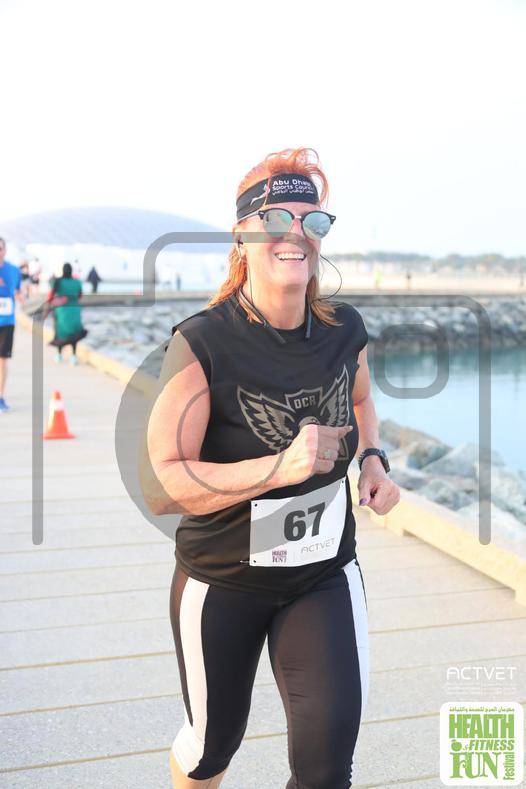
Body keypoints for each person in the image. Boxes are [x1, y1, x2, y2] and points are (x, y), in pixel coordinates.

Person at [140, 147, 400, 789]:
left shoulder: (345, 330)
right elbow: (161, 482)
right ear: (243, 234)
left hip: (323, 573)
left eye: (313, 221)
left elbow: (361, 401)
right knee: (210, 751)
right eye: (277, 217)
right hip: (223, 580)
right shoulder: (203, 342)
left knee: (326, 767)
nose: (297, 234)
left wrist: (371, 457)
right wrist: (278, 468)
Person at [43, 262, 88, 365]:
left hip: (62, 310)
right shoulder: (77, 282)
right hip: (74, 309)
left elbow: (51, 294)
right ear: (71, 271)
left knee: (61, 332)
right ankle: (73, 356)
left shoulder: (58, 281)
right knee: (74, 333)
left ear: (62, 271)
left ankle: (59, 355)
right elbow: (80, 295)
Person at [0, 237, 24, 412]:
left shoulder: (14, 270)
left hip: (7, 322)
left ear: (5, 250)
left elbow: (19, 292)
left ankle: (0, 397)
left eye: (0, 248)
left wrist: (20, 296)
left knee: (2, 360)